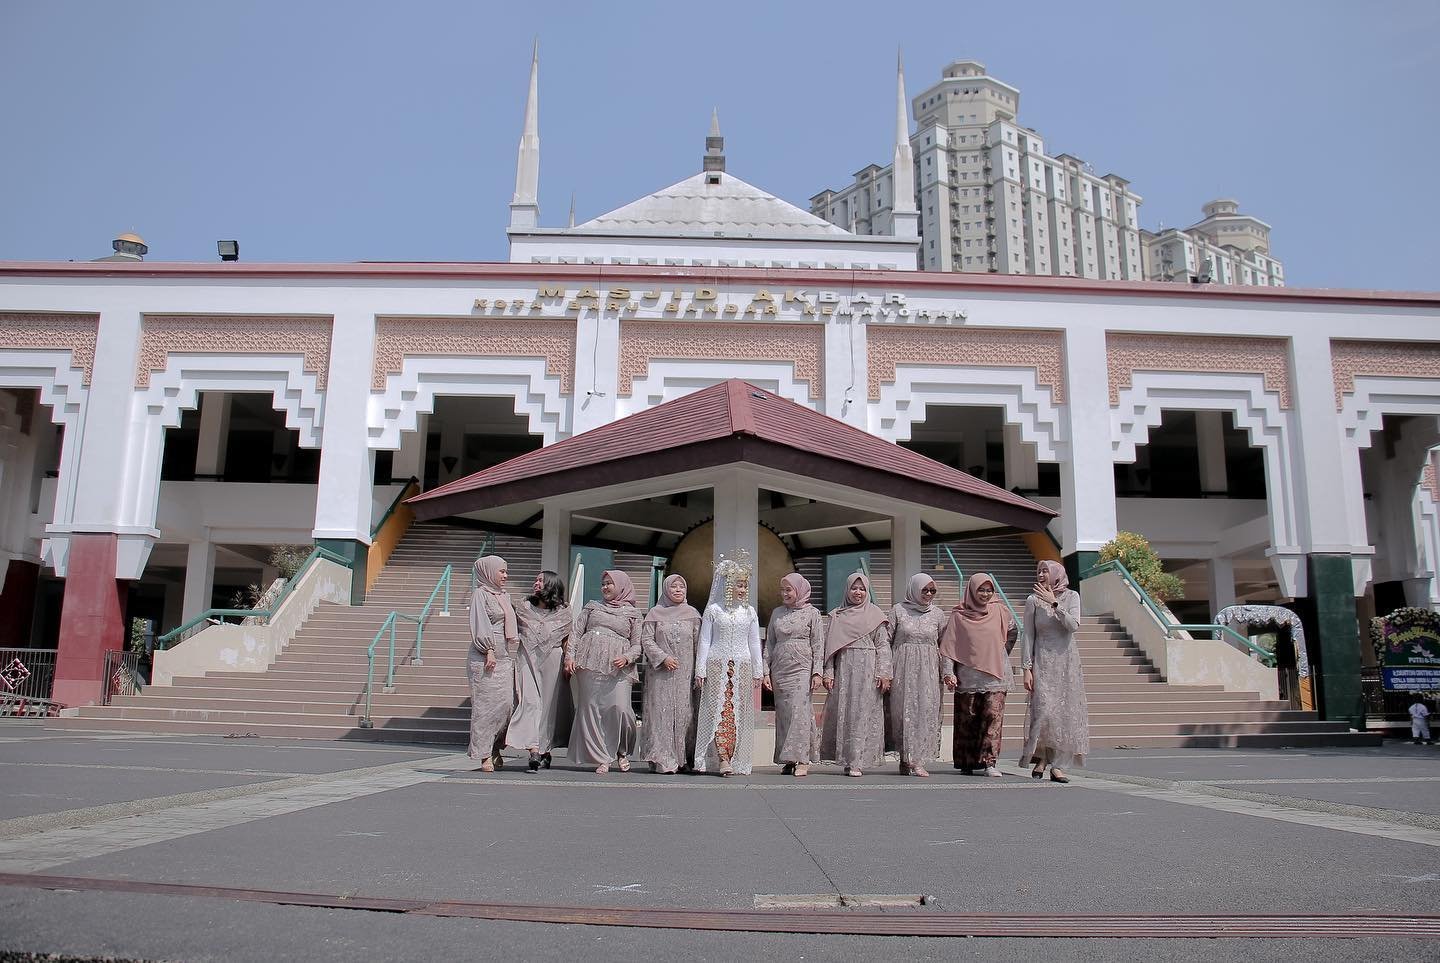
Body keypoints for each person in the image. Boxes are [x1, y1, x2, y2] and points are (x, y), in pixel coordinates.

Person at [940, 573, 1018, 777]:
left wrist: (1000, 653)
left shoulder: (1001, 611)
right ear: (972, 591)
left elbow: (1012, 632)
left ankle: (989, 762)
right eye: (981, 590)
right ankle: (967, 761)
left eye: (989, 590)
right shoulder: (958, 615)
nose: (985, 594)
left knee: (993, 717)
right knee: (968, 718)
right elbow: (949, 647)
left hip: (995, 675)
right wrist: (949, 672)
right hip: (968, 675)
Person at [694, 551, 764, 776]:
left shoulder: (749, 612)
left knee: (737, 713)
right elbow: (705, 641)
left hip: (741, 667)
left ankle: (734, 757)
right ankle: (722, 758)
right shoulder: (714, 610)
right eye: (738, 585)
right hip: (716, 664)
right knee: (720, 711)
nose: (742, 590)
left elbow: (754, 643)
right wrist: (700, 669)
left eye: (745, 585)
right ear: (727, 585)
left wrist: (758, 671)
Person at [566, 570, 643, 774]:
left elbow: (637, 645)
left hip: (619, 668)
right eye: (603, 583)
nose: (606, 587)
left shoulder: (633, 614)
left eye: (610, 583)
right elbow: (575, 633)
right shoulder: (592, 607)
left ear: (622, 586)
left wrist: (627, 657)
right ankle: (603, 757)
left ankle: (622, 750)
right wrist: (570, 657)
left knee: (620, 708)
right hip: (589, 663)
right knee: (592, 709)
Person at [1019, 560, 1088, 783]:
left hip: (1066, 663)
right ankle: (1041, 758)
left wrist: (1055, 604)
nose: (1041, 574)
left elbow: (1074, 625)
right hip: (1042, 662)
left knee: (1062, 714)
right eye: (1038, 570)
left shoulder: (1072, 597)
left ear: (1056, 574)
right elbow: (1027, 635)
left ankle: (1056, 765)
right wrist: (1026, 669)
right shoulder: (1032, 600)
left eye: (1045, 571)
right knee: (1044, 712)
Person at [819, 572, 892, 777]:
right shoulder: (836, 616)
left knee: (863, 714)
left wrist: (884, 672)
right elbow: (830, 648)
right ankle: (847, 759)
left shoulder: (876, 615)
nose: (857, 592)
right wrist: (828, 673)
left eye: (862, 589)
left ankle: (858, 761)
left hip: (869, 671)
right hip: (844, 670)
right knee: (846, 713)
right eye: (854, 588)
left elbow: (883, 646)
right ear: (847, 590)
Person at [509, 569, 573, 772]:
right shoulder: (523, 606)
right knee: (529, 702)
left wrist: (568, 660)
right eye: (535, 580)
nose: (536, 583)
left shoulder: (565, 611)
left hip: (553, 660)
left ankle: (545, 749)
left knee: (548, 707)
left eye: (540, 580)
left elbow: (568, 639)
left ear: (551, 585)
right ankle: (534, 749)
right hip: (527, 658)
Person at [638, 574, 702, 774]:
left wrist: (699, 671)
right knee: (660, 715)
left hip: (685, 673)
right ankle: (663, 759)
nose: (677, 590)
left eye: (681, 587)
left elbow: (699, 644)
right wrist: (663, 657)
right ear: (666, 589)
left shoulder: (693, 614)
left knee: (685, 714)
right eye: (673, 587)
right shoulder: (654, 614)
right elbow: (646, 640)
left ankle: (684, 759)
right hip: (660, 674)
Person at [887, 573, 949, 777]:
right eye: (925, 590)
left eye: (932, 591)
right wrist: (885, 670)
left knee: (925, 711)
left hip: (929, 669)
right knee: (902, 711)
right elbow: (886, 642)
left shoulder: (938, 614)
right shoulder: (898, 610)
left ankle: (919, 760)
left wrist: (948, 672)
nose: (929, 594)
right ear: (915, 589)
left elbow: (945, 646)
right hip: (902, 667)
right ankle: (905, 757)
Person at [764, 572, 825, 777]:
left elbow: (818, 644)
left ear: (799, 590)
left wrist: (817, 671)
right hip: (780, 668)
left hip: (802, 667)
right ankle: (788, 758)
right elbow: (770, 643)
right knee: (784, 714)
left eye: (788, 589)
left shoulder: (812, 613)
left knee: (800, 711)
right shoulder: (777, 613)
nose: (784, 593)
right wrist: (766, 670)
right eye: (782, 590)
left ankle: (802, 758)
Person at [466, 555, 518, 772]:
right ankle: (484, 754)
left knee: (506, 706)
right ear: (489, 572)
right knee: (485, 708)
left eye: (506, 571)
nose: (505, 576)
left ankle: (496, 746)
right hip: (485, 656)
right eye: (501, 571)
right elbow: (480, 624)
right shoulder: (480, 594)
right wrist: (488, 650)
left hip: (504, 656)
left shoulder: (504, 596)